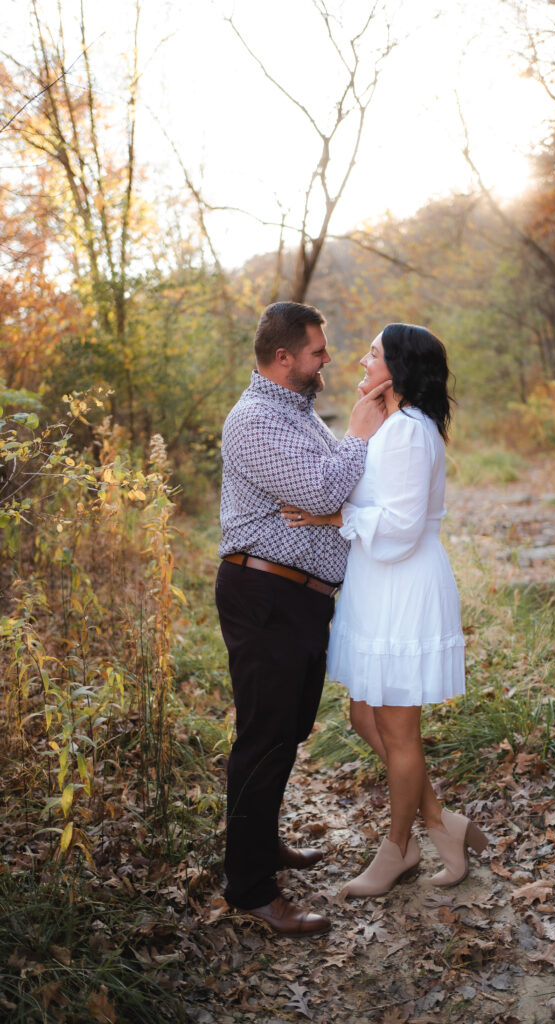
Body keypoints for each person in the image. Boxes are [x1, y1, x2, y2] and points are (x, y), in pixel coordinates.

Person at [281, 323, 488, 898]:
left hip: (402, 585)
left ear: (395, 368)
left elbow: (397, 530)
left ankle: (399, 849)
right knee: (364, 717)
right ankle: (443, 822)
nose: (360, 363)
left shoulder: (409, 434)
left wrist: (333, 519)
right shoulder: (389, 427)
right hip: (377, 583)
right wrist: (357, 431)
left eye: (371, 355)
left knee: (397, 730)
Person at [215, 301, 389, 936]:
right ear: (284, 358)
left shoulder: (297, 412)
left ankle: (261, 845)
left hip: (300, 599)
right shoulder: (255, 420)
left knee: (285, 732)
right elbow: (321, 490)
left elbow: (328, 492)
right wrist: (361, 435)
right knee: (263, 739)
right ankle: (251, 888)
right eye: (318, 351)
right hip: (265, 595)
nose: (328, 359)